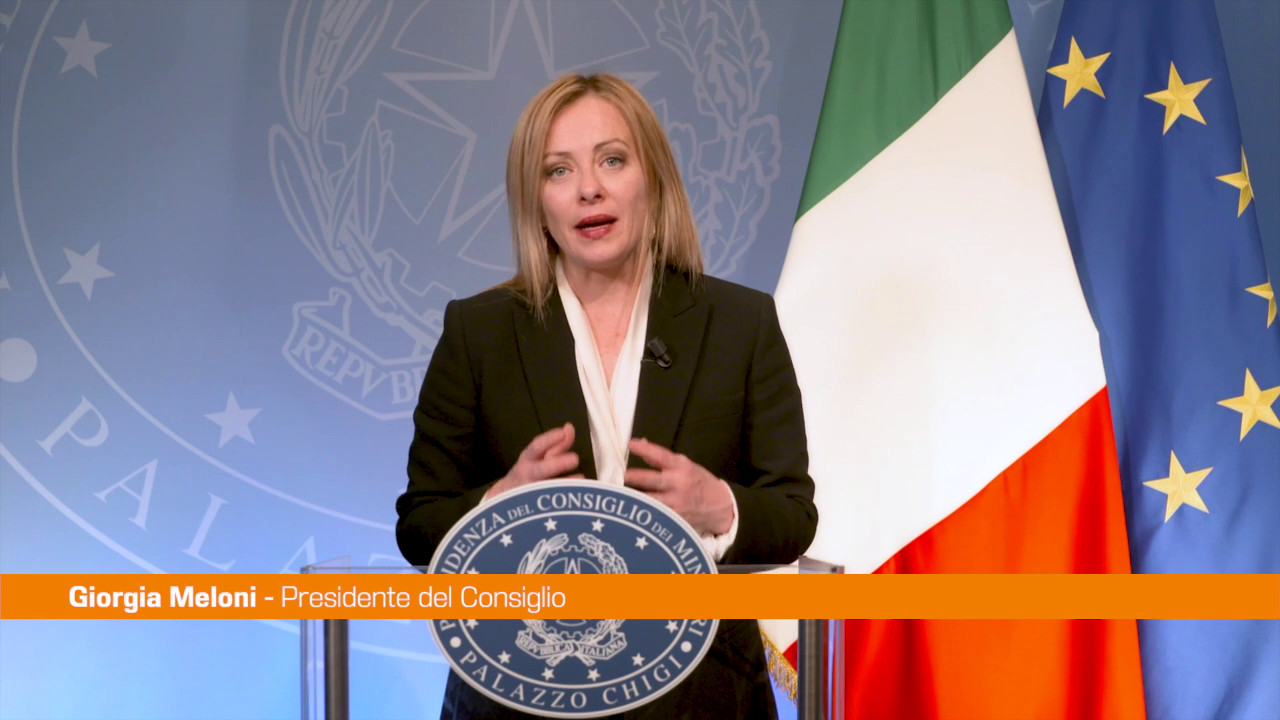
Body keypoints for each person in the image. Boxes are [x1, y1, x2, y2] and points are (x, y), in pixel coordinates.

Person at [395, 73, 817, 720]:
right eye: (558, 171)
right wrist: (496, 505)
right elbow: (419, 525)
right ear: (536, 201)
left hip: (702, 697)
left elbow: (793, 514)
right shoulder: (479, 332)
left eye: (612, 160)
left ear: (654, 178)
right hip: (523, 694)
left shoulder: (740, 322)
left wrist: (720, 506)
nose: (588, 188)